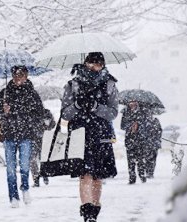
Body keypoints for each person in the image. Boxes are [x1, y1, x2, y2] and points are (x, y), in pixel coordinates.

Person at [60, 52, 118, 222]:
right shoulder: (73, 85)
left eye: (97, 64)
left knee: (97, 176)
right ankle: (88, 214)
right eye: (90, 64)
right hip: (80, 134)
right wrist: (77, 105)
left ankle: (95, 208)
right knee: (84, 174)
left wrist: (95, 107)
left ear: (103, 65)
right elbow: (65, 113)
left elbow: (113, 113)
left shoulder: (110, 85)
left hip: (101, 134)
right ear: (85, 64)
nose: (94, 68)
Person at [0, 65, 45, 208]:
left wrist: (27, 118)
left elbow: (40, 113)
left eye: (21, 75)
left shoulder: (32, 94)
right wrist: (4, 111)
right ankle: (13, 197)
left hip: (26, 135)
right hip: (9, 135)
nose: (18, 78)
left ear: (26, 76)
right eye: (15, 75)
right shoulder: (4, 93)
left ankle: (25, 188)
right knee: (10, 168)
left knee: (24, 166)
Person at [120, 101, 150, 184]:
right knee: (130, 161)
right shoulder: (126, 112)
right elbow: (122, 126)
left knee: (140, 160)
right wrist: (130, 126)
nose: (132, 104)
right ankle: (132, 178)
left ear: (137, 103)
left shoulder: (142, 112)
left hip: (140, 140)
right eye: (130, 103)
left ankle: (142, 175)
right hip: (129, 140)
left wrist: (138, 126)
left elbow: (146, 125)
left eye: (134, 102)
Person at [30, 108, 56, 187]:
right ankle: (38, 178)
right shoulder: (30, 112)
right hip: (35, 139)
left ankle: (42, 176)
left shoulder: (45, 112)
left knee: (37, 159)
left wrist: (46, 125)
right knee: (34, 160)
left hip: (41, 139)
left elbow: (53, 124)